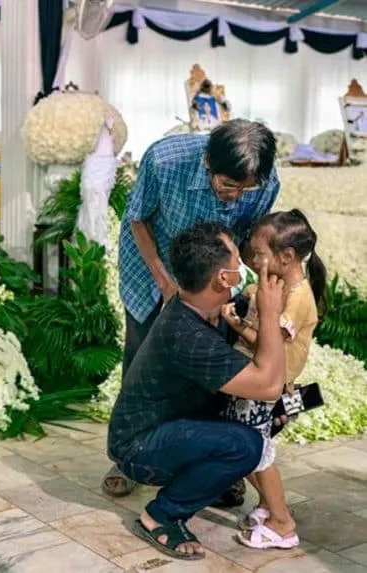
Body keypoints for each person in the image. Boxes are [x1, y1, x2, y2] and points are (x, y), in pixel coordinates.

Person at [102, 120, 280, 501]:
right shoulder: (166, 160)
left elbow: (248, 237)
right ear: (206, 162)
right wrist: (165, 282)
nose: (236, 196)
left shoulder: (264, 178)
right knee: (143, 358)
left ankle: (210, 462)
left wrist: (250, 281)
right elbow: (137, 218)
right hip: (154, 270)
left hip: (216, 280)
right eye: (227, 186)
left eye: (245, 189)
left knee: (216, 369)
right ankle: (132, 453)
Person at [108, 221, 287, 560]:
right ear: (223, 278)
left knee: (246, 426)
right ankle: (162, 515)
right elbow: (268, 386)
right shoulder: (188, 335)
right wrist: (270, 311)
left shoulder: (202, 308)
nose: (244, 265)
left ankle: (204, 484)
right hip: (138, 446)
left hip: (166, 425)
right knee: (245, 446)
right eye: (238, 259)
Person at [220, 209, 327, 550]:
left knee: (257, 454)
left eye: (259, 254)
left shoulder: (298, 299)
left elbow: (271, 348)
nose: (253, 259)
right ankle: (269, 507)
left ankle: (282, 523)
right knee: (246, 450)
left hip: (264, 384)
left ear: (287, 256)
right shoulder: (277, 283)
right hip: (254, 379)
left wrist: (238, 325)